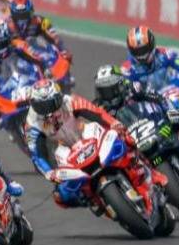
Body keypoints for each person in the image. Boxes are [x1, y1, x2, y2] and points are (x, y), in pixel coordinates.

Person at [25, 79, 128, 208]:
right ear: (34, 105)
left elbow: (96, 112)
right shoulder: (32, 123)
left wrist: (113, 123)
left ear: (59, 97)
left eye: (52, 103)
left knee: (125, 137)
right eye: (42, 107)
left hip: (86, 133)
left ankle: (139, 165)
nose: (49, 111)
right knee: (60, 196)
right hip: (65, 151)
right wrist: (49, 172)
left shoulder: (69, 100)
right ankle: (91, 200)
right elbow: (37, 155)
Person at [0, 19, 45, 120]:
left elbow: (37, 60)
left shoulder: (20, 44)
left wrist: (45, 73)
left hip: (21, 78)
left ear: (8, 37)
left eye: (3, 42)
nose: (0, 47)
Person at [120, 26, 179, 105]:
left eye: (144, 49)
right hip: (150, 102)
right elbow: (126, 93)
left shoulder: (166, 54)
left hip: (173, 93)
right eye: (137, 51)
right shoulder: (127, 69)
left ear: (152, 44)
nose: (142, 54)